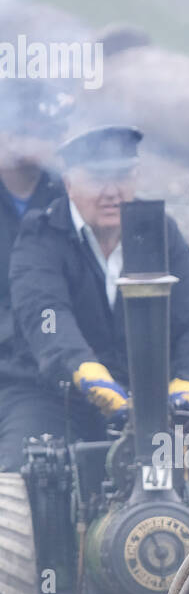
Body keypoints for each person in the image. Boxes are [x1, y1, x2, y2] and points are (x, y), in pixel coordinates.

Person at [2, 125, 189, 473]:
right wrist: (87, 373)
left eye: (122, 177)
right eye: (97, 179)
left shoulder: (161, 231)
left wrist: (186, 382)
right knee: (25, 481)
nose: (112, 192)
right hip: (49, 394)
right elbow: (46, 314)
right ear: (69, 184)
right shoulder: (40, 235)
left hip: (151, 398)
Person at [0, 85, 72, 467]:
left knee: (20, 478)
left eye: (33, 121)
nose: (23, 132)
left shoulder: (72, 195)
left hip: (39, 375)